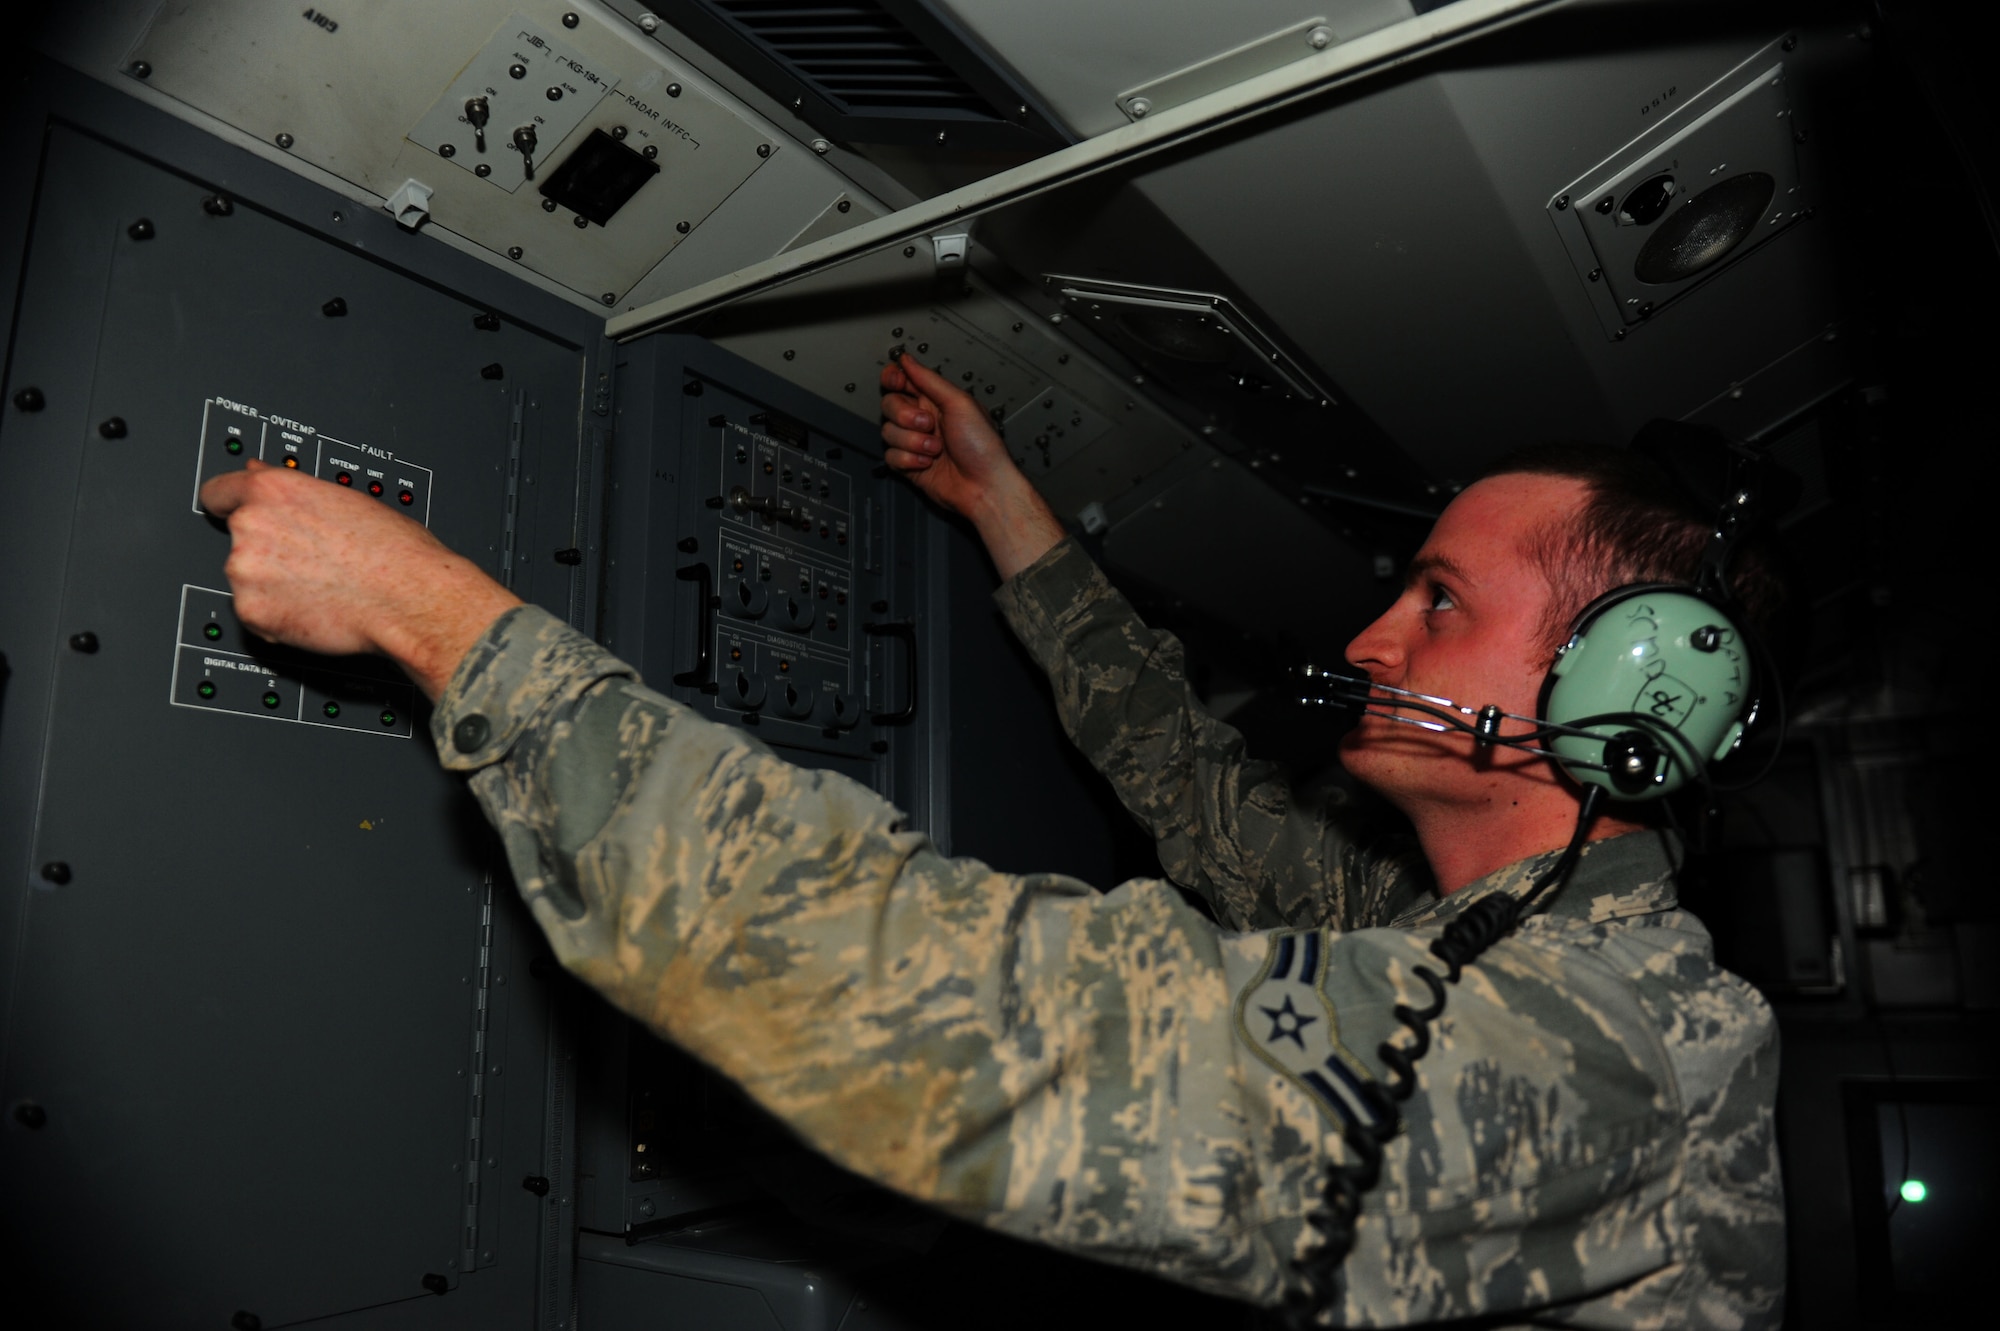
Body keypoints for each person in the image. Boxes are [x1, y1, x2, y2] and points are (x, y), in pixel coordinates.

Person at [197, 354, 1784, 1328]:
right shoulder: (1470, 927)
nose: (1372, 637)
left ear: (1619, 705)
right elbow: (1185, 778)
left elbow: (986, 1027)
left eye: (1438, 601)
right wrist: (1003, 503)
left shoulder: (1619, 1037)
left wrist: (445, 626)